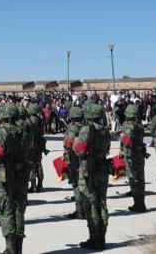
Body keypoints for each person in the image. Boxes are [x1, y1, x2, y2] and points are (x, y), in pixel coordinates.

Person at [0, 104, 25, 254]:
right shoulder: (23, 131)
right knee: (18, 210)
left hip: (4, 172)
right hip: (21, 174)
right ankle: (18, 248)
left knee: (5, 208)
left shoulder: (1, 131)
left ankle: (10, 248)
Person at [75, 102, 110, 250]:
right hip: (102, 168)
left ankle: (95, 239)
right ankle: (101, 237)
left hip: (89, 170)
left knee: (91, 205)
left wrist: (76, 144)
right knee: (102, 203)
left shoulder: (86, 130)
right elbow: (107, 149)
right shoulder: (105, 131)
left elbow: (80, 151)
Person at [119, 103, 146, 212]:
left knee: (133, 180)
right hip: (140, 155)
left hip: (131, 156)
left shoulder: (129, 126)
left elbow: (127, 142)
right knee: (141, 179)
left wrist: (122, 137)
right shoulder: (139, 125)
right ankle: (142, 203)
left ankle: (137, 204)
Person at [64, 105, 86, 220]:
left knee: (76, 186)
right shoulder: (86, 127)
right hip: (85, 160)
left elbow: (68, 145)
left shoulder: (73, 128)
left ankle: (79, 212)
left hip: (75, 160)